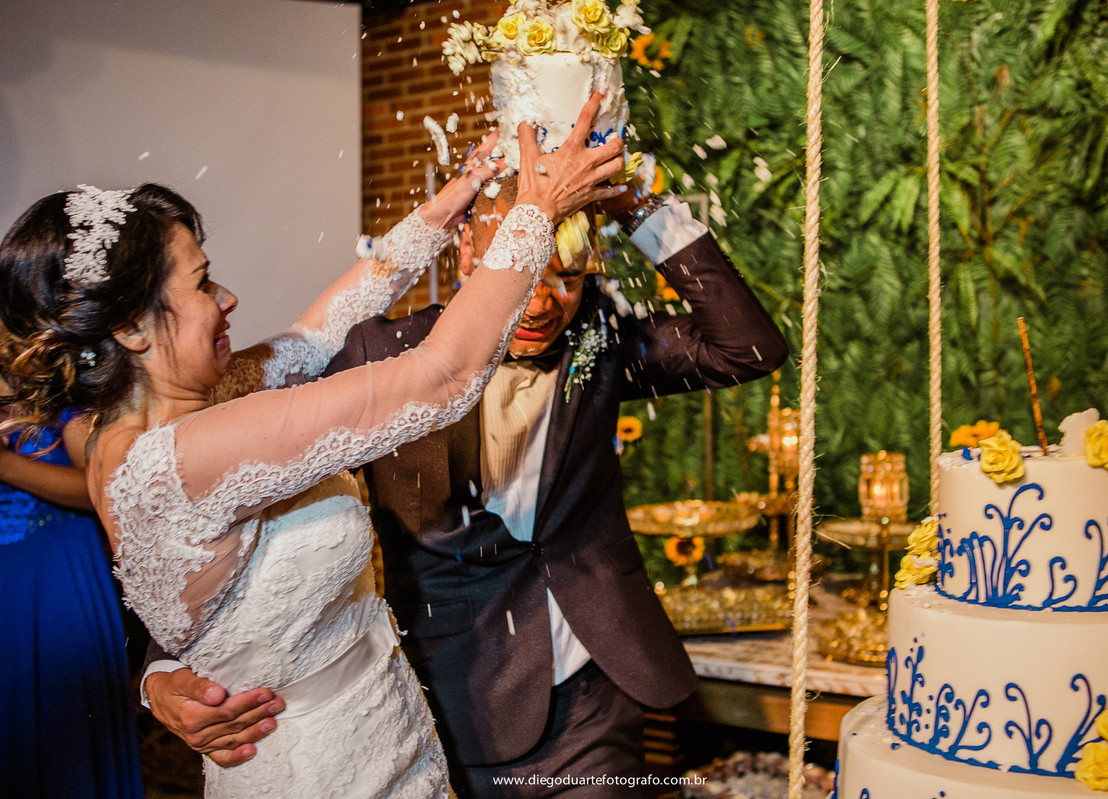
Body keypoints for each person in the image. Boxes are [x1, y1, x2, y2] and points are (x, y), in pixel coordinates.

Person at [0, 93, 626, 798]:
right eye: (203, 282)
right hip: (322, 770)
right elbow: (441, 376)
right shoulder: (188, 455)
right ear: (130, 329)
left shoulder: (129, 429)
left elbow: (316, 333)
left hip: (379, 730)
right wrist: (535, 214)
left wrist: (445, 207)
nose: (229, 297)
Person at [145, 167, 790, 795]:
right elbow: (213, 499)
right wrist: (160, 668)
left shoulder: (600, 338)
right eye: (523, 272)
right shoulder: (382, 354)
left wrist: (637, 207)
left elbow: (749, 346)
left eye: (565, 277)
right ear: (465, 255)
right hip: (452, 696)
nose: (539, 302)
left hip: (597, 688)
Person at [0, 407, 143, 798]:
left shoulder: (56, 386)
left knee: (66, 732)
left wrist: (7, 466)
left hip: (57, 577)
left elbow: (101, 487)